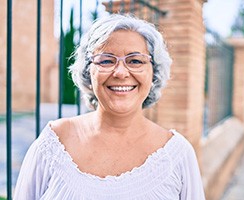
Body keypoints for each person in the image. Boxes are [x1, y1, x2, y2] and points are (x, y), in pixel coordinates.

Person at [14, 14, 206, 200]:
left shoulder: (177, 154)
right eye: (106, 60)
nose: (121, 72)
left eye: (135, 61)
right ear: (88, 71)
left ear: (153, 72)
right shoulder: (53, 143)